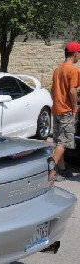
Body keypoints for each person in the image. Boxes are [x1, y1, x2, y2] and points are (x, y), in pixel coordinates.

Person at [50, 41, 80, 181]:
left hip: (56, 109)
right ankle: (51, 172)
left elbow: (52, 90)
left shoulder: (58, 69)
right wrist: (75, 108)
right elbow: (73, 91)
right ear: (75, 54)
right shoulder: (73, 70)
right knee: (63, 143)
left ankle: (62, 169)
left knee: (58, 141)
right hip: (67, 110)